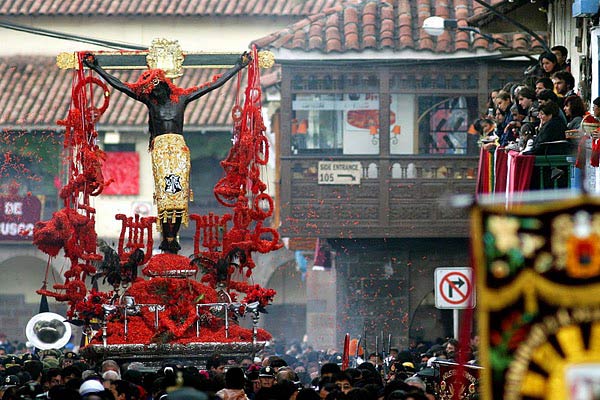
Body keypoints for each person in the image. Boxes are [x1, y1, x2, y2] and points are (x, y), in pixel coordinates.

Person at [83, 52, 250, 254]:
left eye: (155, 88)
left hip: (178, 150)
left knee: (177, 194)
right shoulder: (150, 101)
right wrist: (97, 68)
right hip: (161, 150)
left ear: (163, 85)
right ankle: (167, 236)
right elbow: (121, 86)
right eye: (150, 90)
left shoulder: (182, 98)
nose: (153, 92)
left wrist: (238, 67)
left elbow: (211, 85)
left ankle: (173, 236)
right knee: (164, 195)